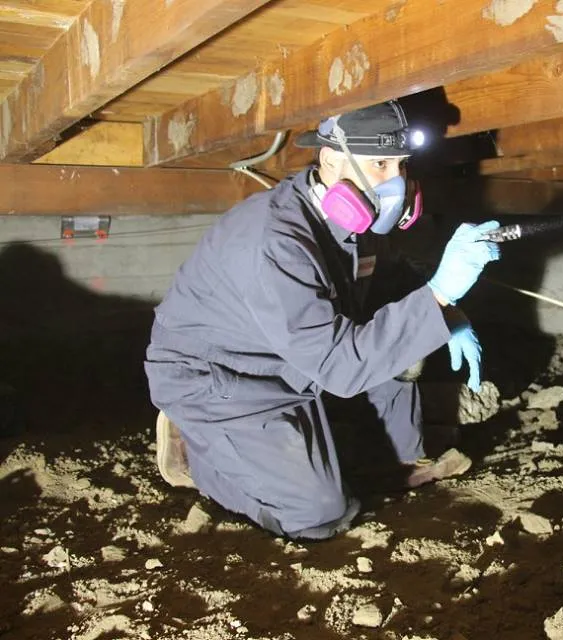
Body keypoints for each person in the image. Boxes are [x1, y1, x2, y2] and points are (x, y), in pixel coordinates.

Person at [143, 100, 500, 540]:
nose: (397, 183)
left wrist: (451, 315)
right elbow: (341, 369)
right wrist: (439, 294)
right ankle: (198, 452)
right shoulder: (272, 240)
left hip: (292, 363)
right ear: (331, 161)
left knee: (404, 349)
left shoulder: (350, 225)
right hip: (220, 380)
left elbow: (385, 292)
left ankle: (397, 457)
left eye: (402, 166)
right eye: (381, 164)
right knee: (319, 514)